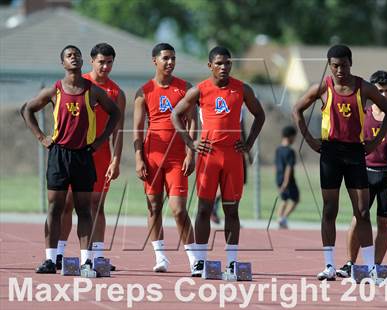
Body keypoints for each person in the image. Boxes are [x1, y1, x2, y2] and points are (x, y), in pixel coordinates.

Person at [293, 44, 387, 281]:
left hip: (355, 153)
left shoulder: (364, 87)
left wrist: (375, 141)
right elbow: (297, 110)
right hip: (330, 153)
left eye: (344, 65)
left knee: (362, 211)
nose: (340, 70)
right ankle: (329, 266)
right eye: (335, 66)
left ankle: (370, 267)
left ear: (351, 63)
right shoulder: (322, 87)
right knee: (330, 209)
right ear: (329, 65)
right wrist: (309, 140)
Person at [21, 45, 120, 273]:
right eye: (69, 55)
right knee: (55, 207)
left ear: (82, 61)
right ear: (63, 63)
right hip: (59, 154)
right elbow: (27, 110)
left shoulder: (92, 90)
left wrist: (99, 141)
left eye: (77, 54)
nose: (74, 57)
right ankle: (50, 259)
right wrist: (41, 137)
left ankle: (86, 261)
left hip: (83, 155)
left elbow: (115, 112)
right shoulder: (55, 90)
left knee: (84, 209)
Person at [171, 46, 265, 276]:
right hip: (209, 156)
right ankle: (201, 262)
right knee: (203, 209)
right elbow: (175, 115)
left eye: (228, 63)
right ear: (210, 65)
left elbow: (260, 115)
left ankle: (232, 262)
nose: (224, 67)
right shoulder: (200, 90)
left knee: (231, 210)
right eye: (219, 63)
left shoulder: (242, 89)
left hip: (232, 156)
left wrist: (249, 143)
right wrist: (191, 143)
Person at [56, 43, 126, 271]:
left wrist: (116, 159)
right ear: (92, 61)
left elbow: (118, 130)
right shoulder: (80, 84)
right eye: (101, 62)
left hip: (101, 155)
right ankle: (58, 253)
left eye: (109, 62)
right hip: (75, 154)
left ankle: (96, 256)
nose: (105, 67)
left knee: (96, 205)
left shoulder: (117, 93)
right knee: (67, 203)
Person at [337, 70, 387, 278]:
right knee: (357, 218)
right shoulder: (362, 114)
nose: (384, 95)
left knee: (384, 223)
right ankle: (350, 263)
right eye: (379, 91)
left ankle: (374, 267)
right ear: (371, 93)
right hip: (364, 174)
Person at [133, 43, 197, 273]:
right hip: (152, 157)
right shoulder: (144, 91)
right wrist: (139, 158)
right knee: (153, 207)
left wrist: (191, 152)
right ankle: (160, 256)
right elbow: (138, 129)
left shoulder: (186, 88)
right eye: (166, 58)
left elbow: (192, 123)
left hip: (178, 157)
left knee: (179, 209)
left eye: (173, 58)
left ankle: (195, 259)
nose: (170, 62)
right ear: (155, 61)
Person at [275, 125, 299, 229]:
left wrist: (278, 180)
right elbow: (289, 167)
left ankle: (280, 219)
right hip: (288, 180)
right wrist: (286, 182)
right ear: (289, 136)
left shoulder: (278, 150)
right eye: (294, 137)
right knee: (295, 199)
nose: (294, 139)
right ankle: (283, 218)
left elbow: (276, 165)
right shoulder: (290, 152)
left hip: (279, 178)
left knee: (284, 199)